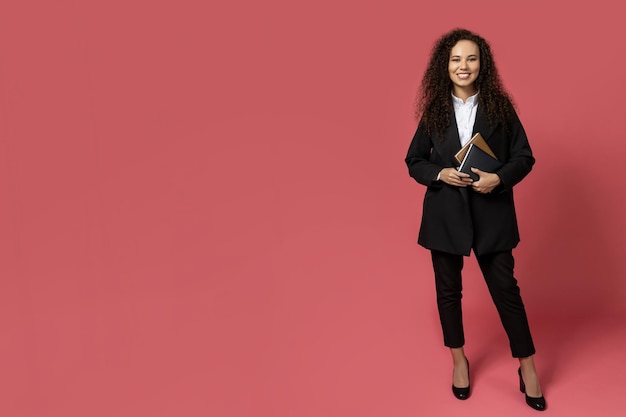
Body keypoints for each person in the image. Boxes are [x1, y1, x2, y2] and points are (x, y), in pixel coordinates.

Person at [404, 28, 546, 411]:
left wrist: (498, 178)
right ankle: (459, 362)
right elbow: (414, 160)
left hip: (492, 212)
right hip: (444, 215)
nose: (463, 65)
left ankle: (528, 368)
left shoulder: (500, 106)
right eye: (455, 59)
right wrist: (439, 174)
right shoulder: (433, 110)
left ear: (482, 64)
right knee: (448, 293)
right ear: (444, 66)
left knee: (507, 293)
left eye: (470, 58)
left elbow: (524, 156)